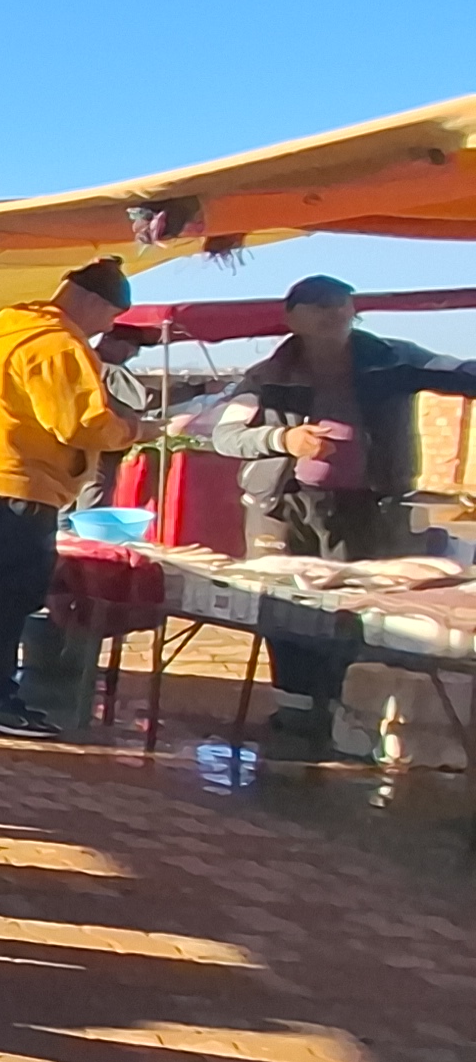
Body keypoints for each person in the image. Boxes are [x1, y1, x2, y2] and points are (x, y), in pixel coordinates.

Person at [205, 274, 476, 734]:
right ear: (292, 317)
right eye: (318, 305)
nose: (331, 312)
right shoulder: (269, 374)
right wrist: (284, 439)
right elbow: (225, 435)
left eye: (339, 303)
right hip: (283, 508)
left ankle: (346, 710)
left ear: (353, 311)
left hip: (368, 509)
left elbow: (462, 372)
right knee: (285, 605)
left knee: (361, 608)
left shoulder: (394, 359)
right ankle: (296, 707)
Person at [0, 258, 140, 739]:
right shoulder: (56, 343)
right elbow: (80, 424)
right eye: (109, 317)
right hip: (16, 486)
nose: (106, 329)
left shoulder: (5, 331)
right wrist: (134, 429)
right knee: (8, 597)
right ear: (90, 300)